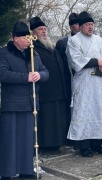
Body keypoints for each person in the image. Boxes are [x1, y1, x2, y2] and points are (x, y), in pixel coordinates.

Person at [0, 21, 49, 180]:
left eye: (29, 37)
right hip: (12, 104)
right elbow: (3, 74)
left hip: (30, 103)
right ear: (15, 38)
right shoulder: (4, 53)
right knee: (10, 140)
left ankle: (26, 169)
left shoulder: (33, 54)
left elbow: (45, 71)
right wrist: (26, 77)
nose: (28, 40)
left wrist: (39, 76)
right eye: (24, 37)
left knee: (27, 139)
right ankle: (6, 172)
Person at [66, 11, 102, 157]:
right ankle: (84, 146)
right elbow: (76, 60)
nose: (90, 27)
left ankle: (97, 143)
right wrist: (97, 61)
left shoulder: (99, 40)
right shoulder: (74, 40)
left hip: (98, 83)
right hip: (83, 82)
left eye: (92, 24)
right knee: (84, 110)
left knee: (98, 109)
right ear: (81, 26)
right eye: (87, 25)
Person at [30, 16, 68, 149]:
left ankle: (58, 143)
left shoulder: (51, 47)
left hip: (58, 90)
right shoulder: (33, 48)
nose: (44, 32)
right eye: (40, 29)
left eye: (45, 29)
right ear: (34, 32)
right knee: (48, 119)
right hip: (46, 90)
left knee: (58, 119)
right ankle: (47, 145)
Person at [55, 13, 80, 141]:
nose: (79, 26)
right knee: (68, 107)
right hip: (67, 80)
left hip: (82, 79)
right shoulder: (62, 42)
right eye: (76, 24)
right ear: (71, 27)